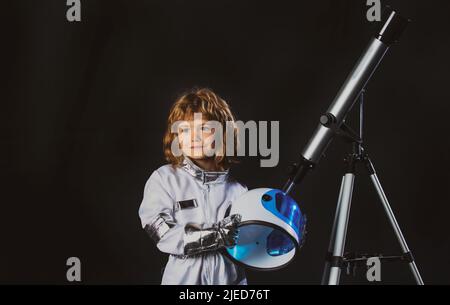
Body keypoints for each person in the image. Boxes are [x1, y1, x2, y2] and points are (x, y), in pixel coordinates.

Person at [138, 88, 248, 285]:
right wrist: (217, 235)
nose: (194, 138)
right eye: (185, 130)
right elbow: (162, 233)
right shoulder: (164, 179)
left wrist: (283, 232)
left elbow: (252, 243)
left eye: (205, 129)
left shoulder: (239, 191)